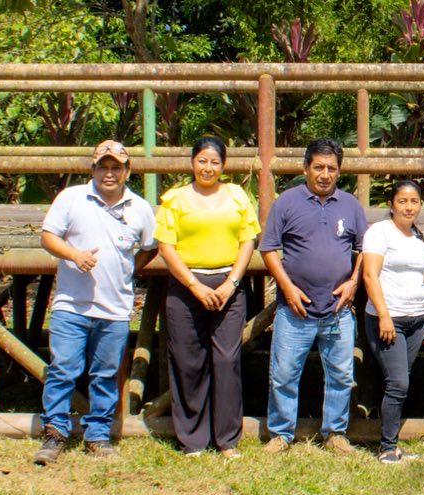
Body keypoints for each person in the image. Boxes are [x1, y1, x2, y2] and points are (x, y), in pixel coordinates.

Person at [34, 140, 158, 466]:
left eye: (116, 167)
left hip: (115, 308)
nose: (109, 173)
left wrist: (128, 269)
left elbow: (150, 247)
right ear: (92, 169)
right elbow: (48, 236)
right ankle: (54, 433)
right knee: (63, 370)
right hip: (71, 305)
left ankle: (98, 435)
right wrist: (74, 255)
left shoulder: (140, 208)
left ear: (127, 171)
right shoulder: (71, 198)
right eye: (103, 167)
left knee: (105, 374)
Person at [258, 138, 368, 453]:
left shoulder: (350, 205)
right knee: (284, 374)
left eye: (331, 168)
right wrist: (287, 287)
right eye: (318, 167)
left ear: (339, 171)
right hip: (295, 309)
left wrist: (353, 282)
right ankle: (281, 434)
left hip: (337, 310)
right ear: (305, 168)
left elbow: (365, 249)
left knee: (341, 374)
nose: (325, 174)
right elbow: (268, 248)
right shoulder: (287, 202)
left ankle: (335, 433)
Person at [154, 135, 259, 458]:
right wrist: (194, 285)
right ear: (192, 163)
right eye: (202, 161)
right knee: (188, 360)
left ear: (223, 165)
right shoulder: (174, 199)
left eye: (215, 162)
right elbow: (166, 247)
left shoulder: (237, 196)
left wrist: (232, 282)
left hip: (229, 285)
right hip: (187, 286)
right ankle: (192, 439)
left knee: (227, 360)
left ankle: (227, 439)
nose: (208, 168)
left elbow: (248, 240)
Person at [361, 179, 424, 465]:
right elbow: (369, 275)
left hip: (416, 319)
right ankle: (387, 447)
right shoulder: (380, 232)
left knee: (399, 381)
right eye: (402, 201)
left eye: (414, 201)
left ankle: (391, 442)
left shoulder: (417, 236)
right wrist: (384, 316)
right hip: (389, 318)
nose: (409, 207)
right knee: (398, 383)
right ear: (391, 205)